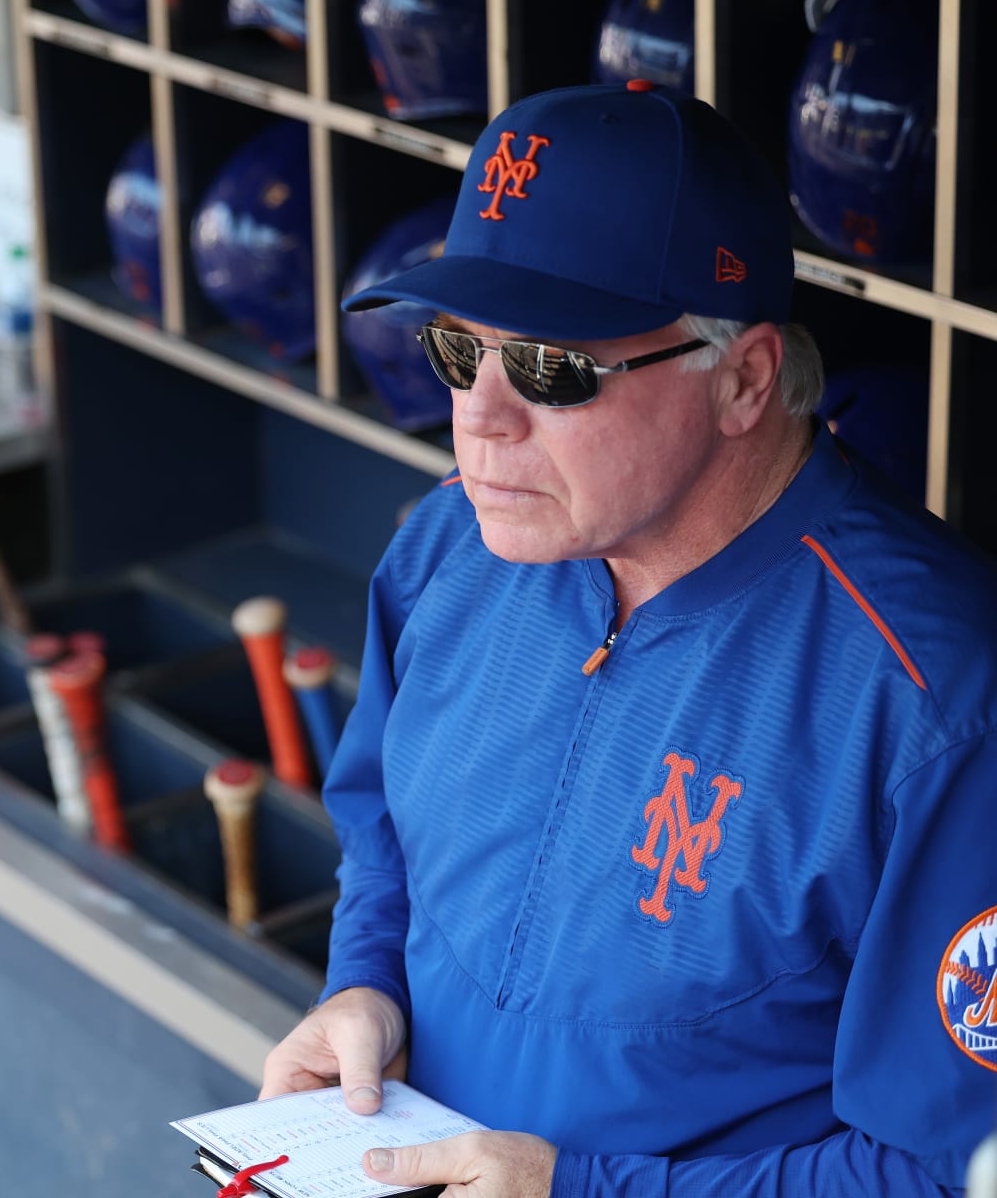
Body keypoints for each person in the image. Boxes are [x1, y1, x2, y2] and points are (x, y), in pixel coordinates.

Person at [259, 79, 997, 1196]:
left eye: (554, 367)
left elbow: (948, 1170)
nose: (481, 417)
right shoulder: (449, 547)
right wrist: (367, 988)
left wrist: (583, 1193)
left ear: (742, 379)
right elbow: (385, 835)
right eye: (461, 351)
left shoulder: (938, 700)